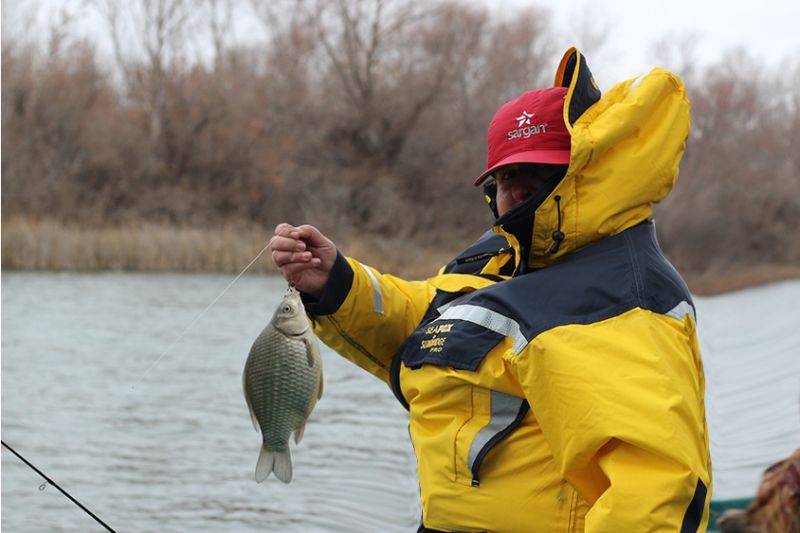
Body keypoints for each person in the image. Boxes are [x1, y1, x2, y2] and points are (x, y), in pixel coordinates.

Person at [271, 48, 713, 532]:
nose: (517, 190)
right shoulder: (502, 256)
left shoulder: (624, 297)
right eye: (506, 177)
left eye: (539, 174)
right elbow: (429, 326)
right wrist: (335, 283)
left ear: (581, 172)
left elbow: (654, 495)